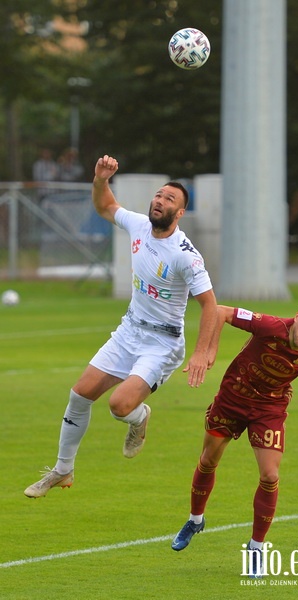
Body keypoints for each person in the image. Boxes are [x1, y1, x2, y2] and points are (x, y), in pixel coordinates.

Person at [24, 154, 218, 499]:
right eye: (158, 195)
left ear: (180, 212)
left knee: (119, 406)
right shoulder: (140, 225)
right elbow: (105, 206)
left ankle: (140, 416)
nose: (160, 200)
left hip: (162, 344)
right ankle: (62, 470)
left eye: (169, 199)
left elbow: (209, 304)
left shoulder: (185, 255)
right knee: (79, 394)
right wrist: (101, 180)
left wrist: (204, 351)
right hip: (130, 330)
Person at [171, 302, 298, 577]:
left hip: (268, 410)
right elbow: (220, 311)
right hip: (232, 398)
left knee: (270, 476)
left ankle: (256, 547)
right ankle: (195, 520)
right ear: (297, 317)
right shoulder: (269, 325)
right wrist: (209, 351)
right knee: (208, 460)